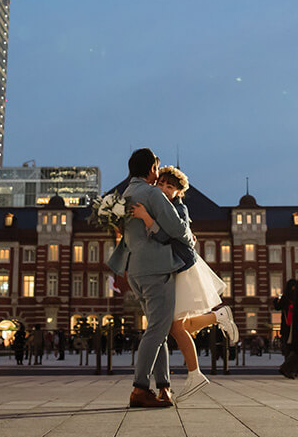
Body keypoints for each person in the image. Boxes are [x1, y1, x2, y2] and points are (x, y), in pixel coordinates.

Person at [130, 166, 237, 401]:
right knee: (176, 326)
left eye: (171, 187)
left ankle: (195, 373)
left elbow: (168, 234)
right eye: (162, 185)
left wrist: (147, 218)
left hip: (181, 268)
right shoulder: (161, 205)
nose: (165, 190)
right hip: (173, 266)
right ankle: (215, 321)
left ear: (179, 192)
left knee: (175, 326)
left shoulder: (178, 207)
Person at [106, 148, 194, 408]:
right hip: (156, 269)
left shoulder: (126, 194)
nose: (158, 173)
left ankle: (164, 387)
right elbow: (179, 228)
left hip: (134, 270)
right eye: (156, 168)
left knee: (158, 329)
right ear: (152, 169)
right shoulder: (152, 193)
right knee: (157, 330)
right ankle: (140, 388)